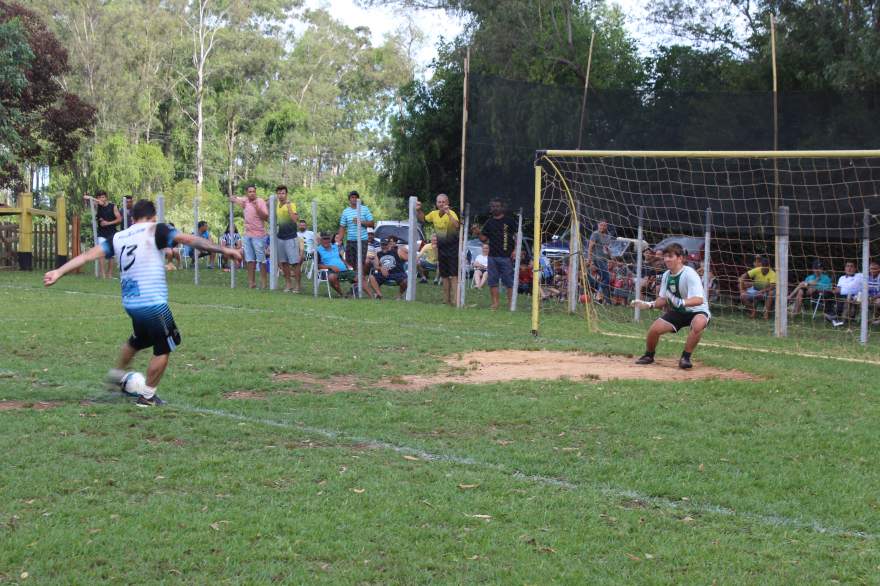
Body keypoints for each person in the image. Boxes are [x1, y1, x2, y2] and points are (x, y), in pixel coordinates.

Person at [43, 199, 242, 405]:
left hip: (131, 302)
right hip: (152, 301)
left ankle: (115, 377)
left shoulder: (118, 237)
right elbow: (191, 240)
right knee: (164, 346)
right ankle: (147, 397)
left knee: (138, 340)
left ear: (133, 217)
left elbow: (86, 256)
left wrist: (59, 271)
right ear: (153, 216)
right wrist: (224, 250)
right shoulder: (155, 229)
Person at [632, 243, 710, 369]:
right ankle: (649, 355)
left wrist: (681, 302)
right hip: (679, 311)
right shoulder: (666, 275)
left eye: (670, 256)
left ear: (680, 258)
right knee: (654, 330)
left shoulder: (690, 273)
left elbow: (699, 299)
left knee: (699, 323)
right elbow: (663, 299)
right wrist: (648, 304)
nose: (666, 259)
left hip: (697, 311)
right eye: (665, 256)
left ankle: (685, 358)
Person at [417, 193, 461, 305]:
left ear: (447, 203)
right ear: (436, 204)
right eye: (439, 202)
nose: (441, 204)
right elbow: (423, 219)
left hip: (453, 249)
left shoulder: (452, 213)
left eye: (443, 202)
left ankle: (455, 301)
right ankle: (446, 301)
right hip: (441, 249)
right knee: (445, 275)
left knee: (454, 275)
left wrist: (449, 214)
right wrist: (418, 209)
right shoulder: (434, 214)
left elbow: (457, 226)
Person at [479, 198, 519, 310]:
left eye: (497, 206)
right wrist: (478, 232)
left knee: (509, 282)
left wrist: (516, 250)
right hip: (492, 256)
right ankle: (495, 304)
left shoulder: (510, 221)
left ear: (502, 207)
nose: (494, 208)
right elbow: (484, 239)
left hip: (506, 257)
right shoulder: (489, 222)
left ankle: (511, 303)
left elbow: (517, 237)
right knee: (492, 281)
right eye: (492, 206)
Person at [230, 185, 269, 289]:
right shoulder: (245, 201)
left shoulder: (260, 201)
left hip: (259, 235)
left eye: (253, 191)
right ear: (247, 193)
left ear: (256, 192)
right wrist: (233, 198)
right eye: (250, 191)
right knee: (250, 260)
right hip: (247, 235)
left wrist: (257, 207)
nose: (252, 193)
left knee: (261, 260)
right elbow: (235, 198)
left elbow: (266, 217)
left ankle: (264, 283)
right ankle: (251, 283)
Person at [338, 190, 374, 289]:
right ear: (349, 199)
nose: (354, 199)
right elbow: (342, 227)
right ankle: (356, 283)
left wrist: (361, 222)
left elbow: (372, 223)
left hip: (362, 240)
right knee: (350, 263)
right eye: (352, 197)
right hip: (350, 240)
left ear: (358, 199)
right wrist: (339, 240)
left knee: (360, 262)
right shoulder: (346, 211)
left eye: (355, 197)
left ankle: (359, 286)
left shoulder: (364, 209)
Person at [87, 190, 122, 279]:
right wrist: (93, 199)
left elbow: (119, 219)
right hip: (101, 233)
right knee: (101, 253)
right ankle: (102, 274)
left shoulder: (113, 206)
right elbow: (87, 198)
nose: (100, 199)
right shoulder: (96, 206)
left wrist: (108, 223)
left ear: (106, 197)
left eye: (102, 197)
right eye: (98, 197)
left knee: (111, 254)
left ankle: (109, 274)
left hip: (112, 232)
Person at [274, 185, 302, 293]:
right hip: (280, 237)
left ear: (286, 194)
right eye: (279, 193)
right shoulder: (276, 205)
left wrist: (289, 206)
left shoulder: (292, 205)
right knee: (283, 263)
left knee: (294, 263)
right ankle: (288, 284)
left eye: (283, 193)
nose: (281, 195)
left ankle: (298, 286)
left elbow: (295, 219)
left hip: (291, 237)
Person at [316, 231, 356, 297]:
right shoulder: (318, 250)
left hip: (344, 270)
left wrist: (347, 265)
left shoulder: (335, 247)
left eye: (328, 238)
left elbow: (341, 258)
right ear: (321, 240)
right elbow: (317, 266)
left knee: (359, 277)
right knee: (332, 277)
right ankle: (342, 294)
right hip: (328, 272)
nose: (326, 240)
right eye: (324, 239)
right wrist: (330, 267)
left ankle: (372, 297)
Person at [829, 260, 863, 327]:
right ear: (845, 268)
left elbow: (856, 289)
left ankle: (841, 320)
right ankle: (832, 315)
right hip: (841, 296)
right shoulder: (842, 278)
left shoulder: (859, 276)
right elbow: (838, 288)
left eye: (851, 266)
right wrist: (834, 290)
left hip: (855, 296)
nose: (849, 268)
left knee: (848, 296)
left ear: (855, 268)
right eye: (847, 266)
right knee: (828, 293)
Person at [586, 220, 612, 300]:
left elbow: (608, 250)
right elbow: (590, 246)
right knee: (607, 277)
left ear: (606, 227)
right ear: (598, 225)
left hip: (604, 260)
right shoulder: (595, 234)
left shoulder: (608, 237)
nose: (602, 227)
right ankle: (598, 295)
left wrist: (610, 257)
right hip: (597, 259)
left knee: (604, 278)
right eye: (601, 225)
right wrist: (589, 259)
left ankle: (607, 300)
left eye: (604, 225)